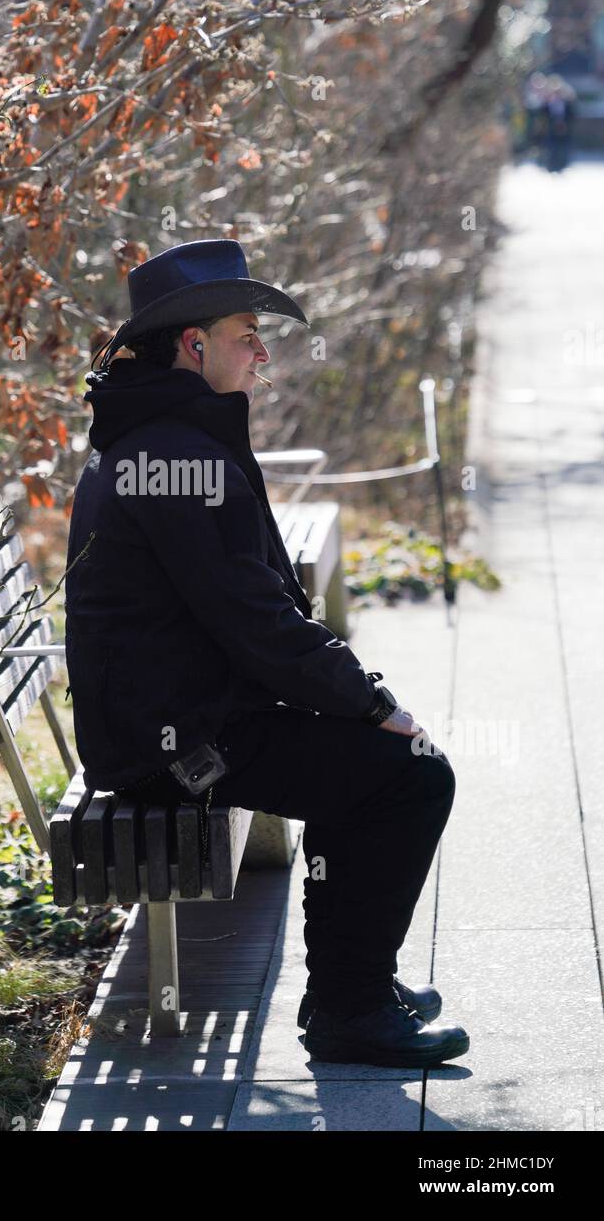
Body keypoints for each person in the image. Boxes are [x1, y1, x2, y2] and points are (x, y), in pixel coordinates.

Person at [63, 238, 469, 1069]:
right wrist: (367, 701)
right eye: (248, 332)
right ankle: (349, 1008)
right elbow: (251, 615)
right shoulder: (170, 453)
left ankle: (350, 989)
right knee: (410, 773)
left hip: (186, 713)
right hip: (171, 744)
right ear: (193, 344)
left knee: (366, 767)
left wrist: (346, 693)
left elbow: (252, 602)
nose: (263, 351)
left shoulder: (166, 432)